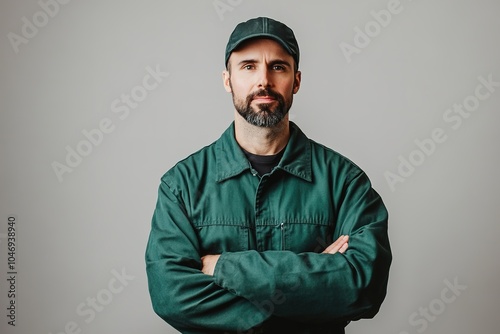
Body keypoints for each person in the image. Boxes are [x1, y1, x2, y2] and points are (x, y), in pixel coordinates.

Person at [145, 17, 391, 334]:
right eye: (248, 66)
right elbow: (171, 296)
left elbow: (363, 287)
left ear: (296, 80)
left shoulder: (344, 181)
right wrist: (314, 293)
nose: (264, 80)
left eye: (278, 67)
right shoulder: (181, 184)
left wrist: (222, 266)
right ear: (227, 80)